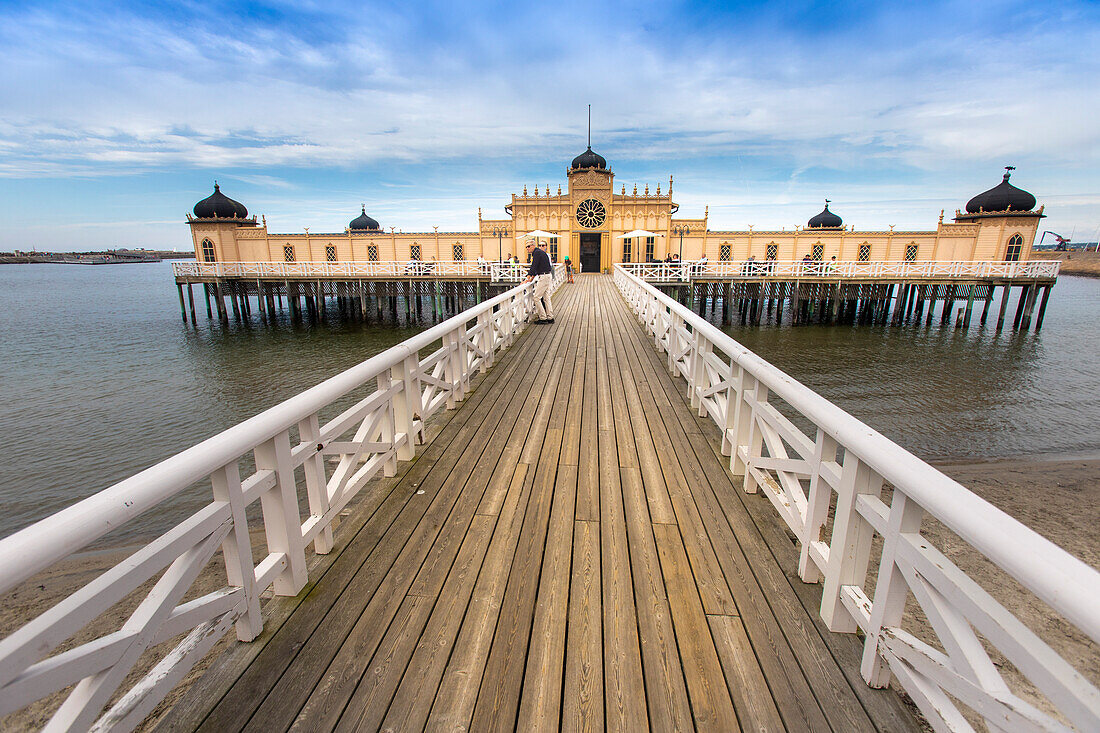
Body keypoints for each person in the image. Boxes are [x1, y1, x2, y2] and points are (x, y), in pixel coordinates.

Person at [524, 239, 554, 323]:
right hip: (547, 275)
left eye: (529, 246)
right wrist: (531, 277)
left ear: (533, 245)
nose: (527, 248)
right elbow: (537, 267)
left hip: (544, 276)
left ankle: (543, 318)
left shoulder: (536, 253)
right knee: (546, 298)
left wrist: (527, 278)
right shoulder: (540, 252)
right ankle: (550, 317)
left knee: (536, 298)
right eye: (526, 247)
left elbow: (534, 266)